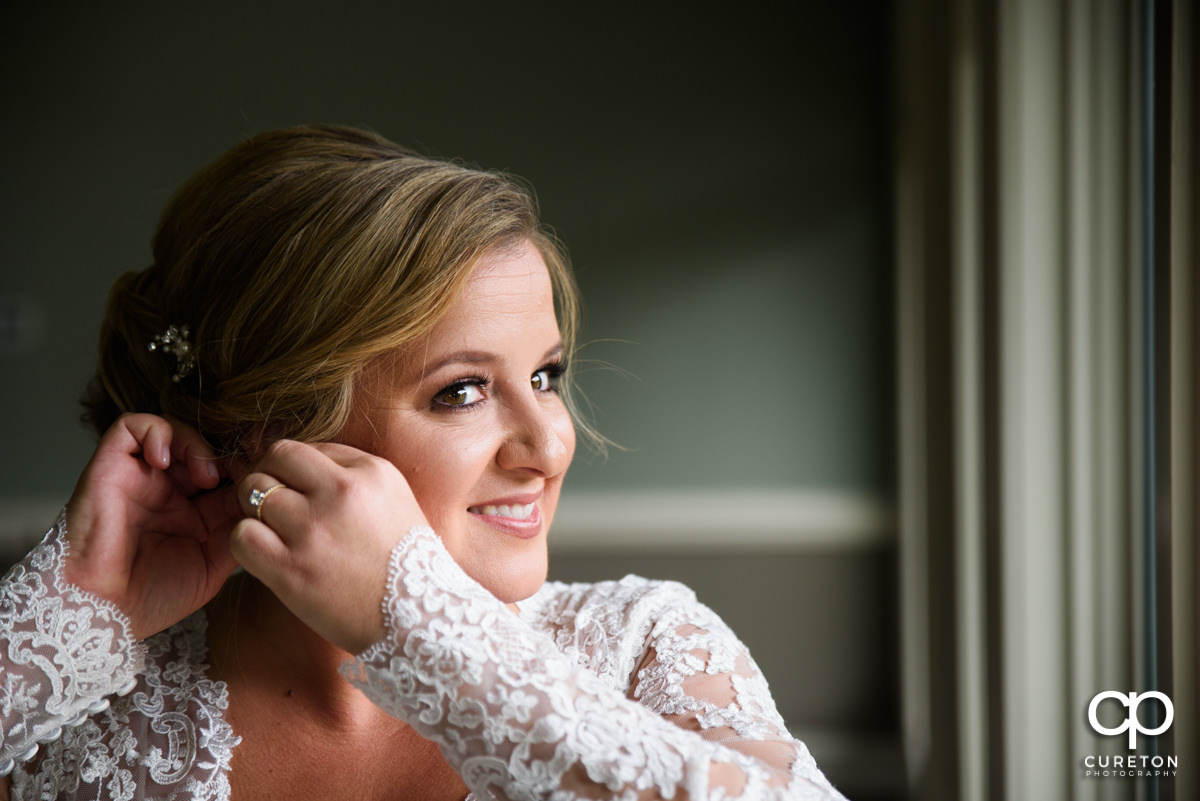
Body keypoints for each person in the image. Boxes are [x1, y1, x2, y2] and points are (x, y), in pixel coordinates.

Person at [0, 125, 847, 800]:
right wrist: (56, 621)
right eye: (464, 391)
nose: (552, 445)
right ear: (271, 434)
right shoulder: (81, 709)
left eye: (546, 376)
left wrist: (417, 620)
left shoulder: (645, 647)